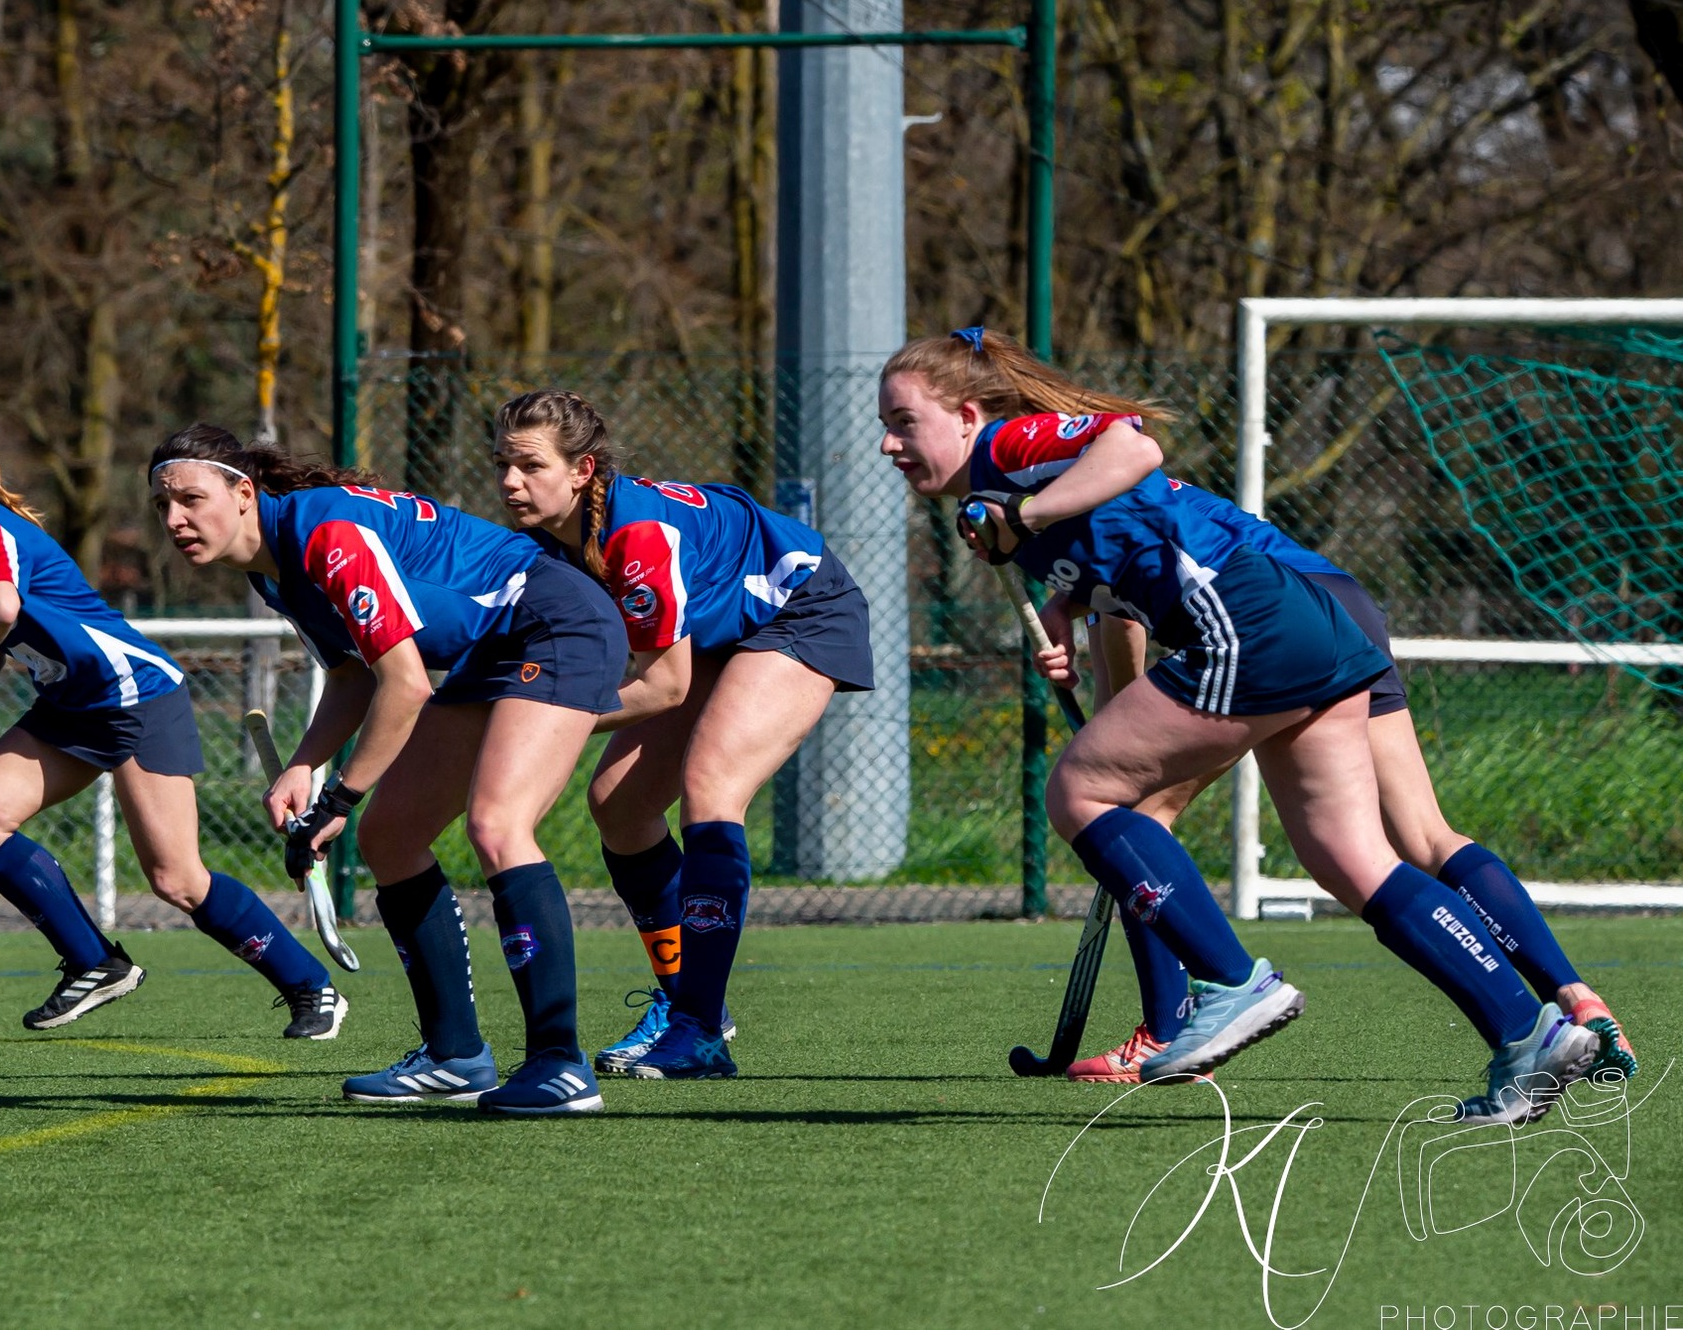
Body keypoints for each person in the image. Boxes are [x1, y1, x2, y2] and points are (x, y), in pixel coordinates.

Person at [878, 329, 1599, 1123]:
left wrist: (1027, 509)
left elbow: (1130, 445)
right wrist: (1062, 602)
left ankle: (1232, 984)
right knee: (1352, 860)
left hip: (1246, 623)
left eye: (905, 421)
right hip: (1306, 626)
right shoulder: (1004, 487)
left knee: (1080, 792)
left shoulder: (1011, 448)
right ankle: (1529, 1034)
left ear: (969, 414)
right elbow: (1117, 550)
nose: (889, 442)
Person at [1064, 481, 1638, 1084]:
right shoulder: (1130, 480)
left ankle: (1165, 1031)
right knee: (1425, 835)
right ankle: (1574, 996)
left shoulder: (1083, 515)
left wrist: (1099, 733)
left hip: (1271, 627)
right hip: (1342, 603)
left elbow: (1120, 678)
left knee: (1140, 815)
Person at [149, 423, 627, 1116]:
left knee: (498, 826)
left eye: (191, 499)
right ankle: (455, 1054)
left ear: (243, 491)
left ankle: (559, 1064)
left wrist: (340, 794)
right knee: (392, 835)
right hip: (493, 649)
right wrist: (303, 769)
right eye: (164, 506)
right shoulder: (273, 568)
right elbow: (350, 676)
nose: (174, 520)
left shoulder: (325, 536)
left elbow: (404, 684)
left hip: (558, 623)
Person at [0, 404, 345, 1039]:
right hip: (71, 701)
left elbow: (2, 606)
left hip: (135, 695)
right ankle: (95, 963)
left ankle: (311, 987)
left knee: (176, 879)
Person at [490, 390, 875, 1080]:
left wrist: (541, 717)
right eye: (502, 464)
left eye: (528, 465)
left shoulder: (635, 537)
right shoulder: (545, 542)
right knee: (619, 803)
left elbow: (663, 685)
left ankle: (700, 1029)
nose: (510, 482)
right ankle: (686, 1000)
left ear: (583, 470)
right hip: (719, 631)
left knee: (709, 786)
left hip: (801, 611)